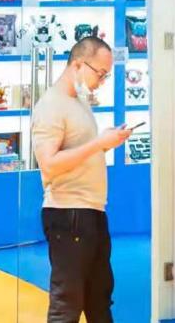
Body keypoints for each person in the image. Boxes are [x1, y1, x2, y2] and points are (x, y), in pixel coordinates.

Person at [31, 36, 133, 323]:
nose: (102, 81)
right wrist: (99, 144)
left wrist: (106, 142)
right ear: (77, 65)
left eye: (106, 75)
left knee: (99, 298)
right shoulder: (52, 105)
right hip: (68, 213)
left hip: (91, 211)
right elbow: (48, 165)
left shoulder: (78, 102)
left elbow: (80, 152)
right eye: (100, 73)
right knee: (68, 303)